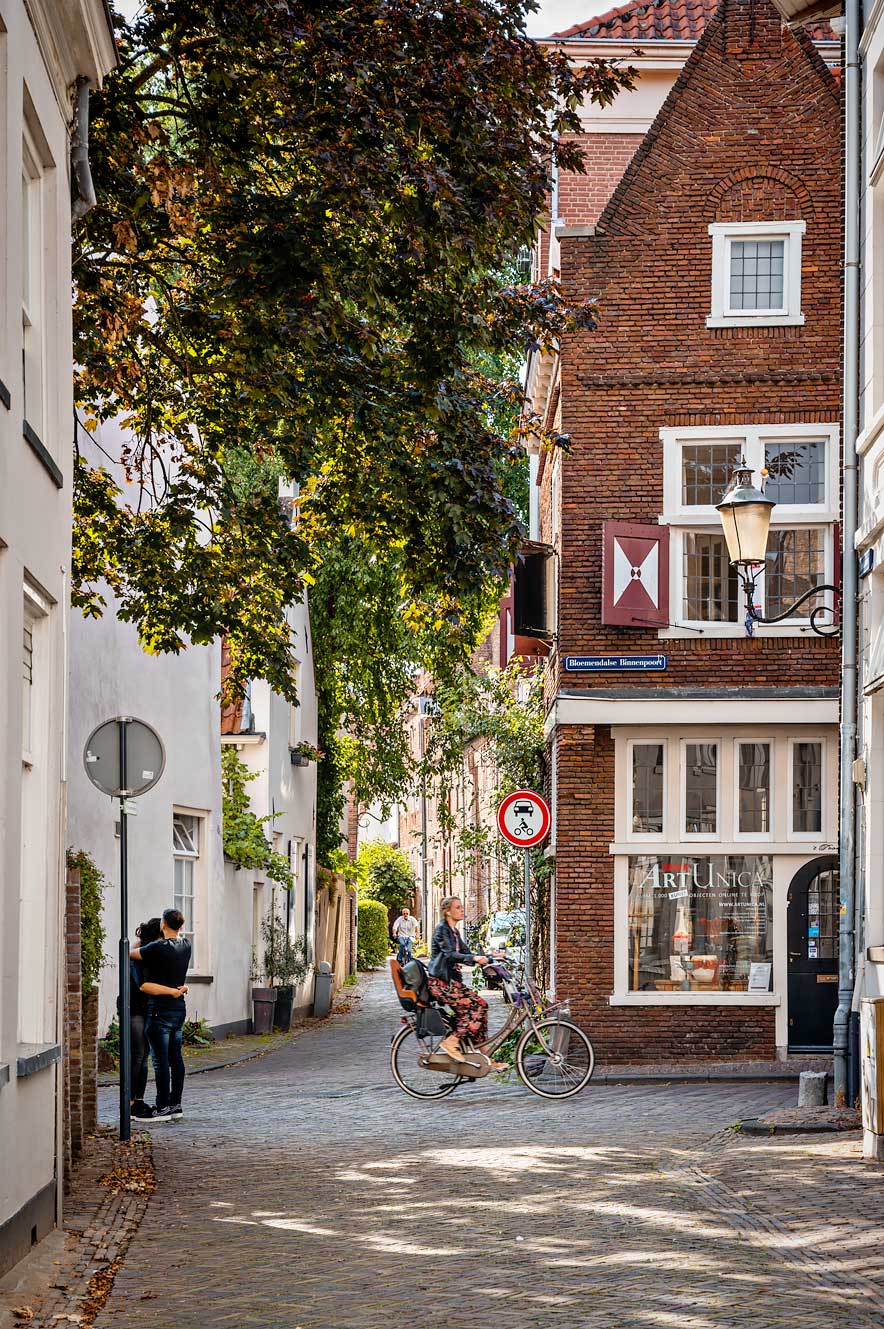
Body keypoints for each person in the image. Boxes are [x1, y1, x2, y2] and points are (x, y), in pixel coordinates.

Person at [427, 895, 505, 1068]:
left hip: (451, 983)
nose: (462, 910)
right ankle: (451, 1041)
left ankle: (486, 1057)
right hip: (441, 983)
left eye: (461, 907)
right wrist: (475, 957)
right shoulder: (442, 930)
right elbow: (450, 955)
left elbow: (467, 956)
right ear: (447, 911)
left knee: (480, 1010)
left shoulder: (454, 932)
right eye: (457, 907)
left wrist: (492, 957)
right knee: (479, 1006)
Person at [131, 908, 191, 1121]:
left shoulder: (157, 948)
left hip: (159, 1010)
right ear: (181, 926)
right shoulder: (186, 945)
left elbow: (131, 954)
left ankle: (162, 1107)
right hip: (178, 1010)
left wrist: (139, 942)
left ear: (163, 924)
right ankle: (176, 1105)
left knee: (160, 1061)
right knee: (177, 1059)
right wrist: (179, 989)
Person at [125, 917, 162, 1119]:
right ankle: (130, 1103)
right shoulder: (137, 955)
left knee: (144, 1055)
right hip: (134, 1008)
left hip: (146, 1008)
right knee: (137, 1054)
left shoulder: (148, 953)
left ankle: (138, 1100)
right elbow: (141, 984)